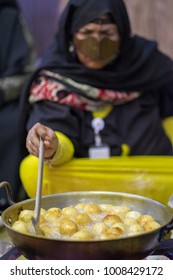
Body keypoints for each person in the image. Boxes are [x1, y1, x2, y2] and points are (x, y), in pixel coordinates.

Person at [19, 0, 173, 201]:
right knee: (33, 168)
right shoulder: (55, 79)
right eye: (86, 32)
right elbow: (58, 131)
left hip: (147, 175)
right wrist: (53, 146)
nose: (97, 42)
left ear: (122, 33)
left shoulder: (147, 66)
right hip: (85, 177)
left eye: (107, 33)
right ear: (71, 34)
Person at [0, 0, 36, 210]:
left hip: (3, 97)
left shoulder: (7, 14)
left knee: (12, 124)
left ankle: (6, 202)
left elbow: (25, 71)